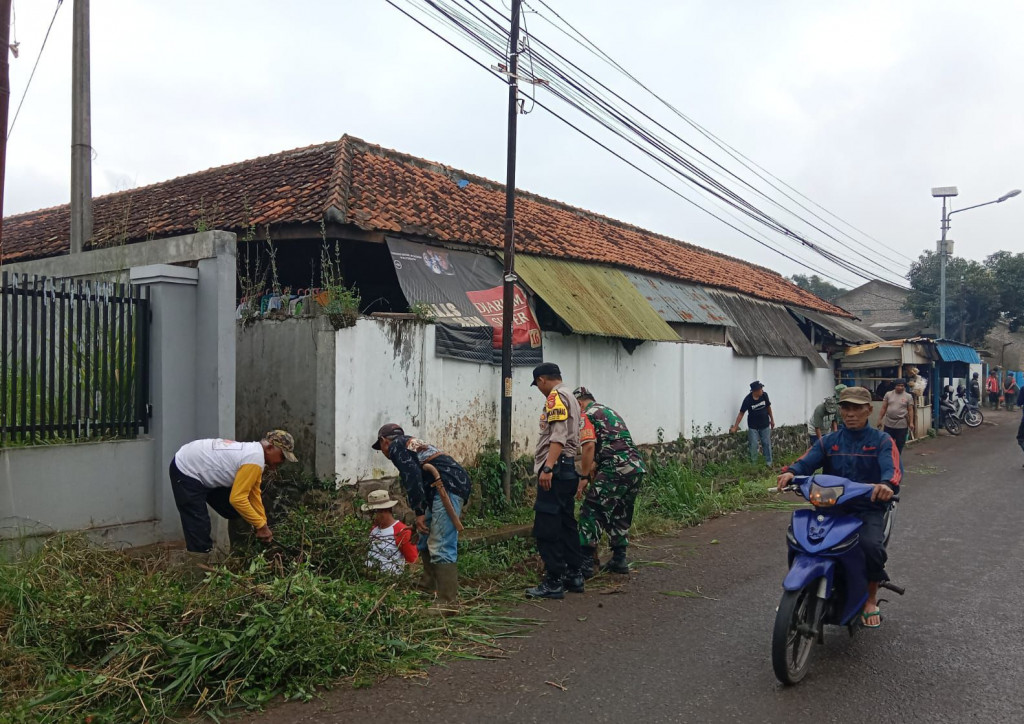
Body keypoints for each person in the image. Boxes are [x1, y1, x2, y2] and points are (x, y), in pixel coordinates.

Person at [777, 387, 900, 629]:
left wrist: (886, 485)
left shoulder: (882, 441)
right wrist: (791, 472)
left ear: (869, 410)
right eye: (846, 407)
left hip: (867, 508)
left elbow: (892, 469)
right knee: (801, 538)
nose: (850, 413)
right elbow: (807, 461)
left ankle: (870, 599)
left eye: (856, 408)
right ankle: (801, 590)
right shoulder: (829, 442)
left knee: (871, 547)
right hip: (830, 508)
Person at [373, 423, 471, 608]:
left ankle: (448, 603)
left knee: (441, 542)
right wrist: (422, 516)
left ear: (384, 441)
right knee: (425, 533)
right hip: (445, 485)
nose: (384, 453)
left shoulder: (396, 447)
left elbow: (413, 478)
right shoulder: (410, 444)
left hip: (447, 485)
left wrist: (418, 512)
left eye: (381, 448)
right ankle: (428, 586)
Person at [169, 430, 297, 554]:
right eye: (282, 457)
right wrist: (261, 526)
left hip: (205, 467)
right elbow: (237, 499)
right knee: (199, 526)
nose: (282, 462)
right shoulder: (254, 460)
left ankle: (240, 552)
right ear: (269, 448)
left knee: (235, 511)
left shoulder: (256, 457)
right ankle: (198, 567)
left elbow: (254, 494)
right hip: (186, 468)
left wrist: (262, 524)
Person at [573, 386, 646, 577]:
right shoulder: (608, 411)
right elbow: (612, 443)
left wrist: (583, 476)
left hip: (616, 467)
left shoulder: (586, 415)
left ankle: (586, 563)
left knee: (592, 509)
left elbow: (588, 446)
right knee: (621, 511)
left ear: (579, 403)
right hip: (635, 467)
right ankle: (619, 559)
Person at [526, 362, 585, 599]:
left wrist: (548, 467)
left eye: (537, 385)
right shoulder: (571, 395)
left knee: (547, 526)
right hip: (569, 470)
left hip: (557, 470)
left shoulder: (555, 396)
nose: (539, 389)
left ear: (541, 380)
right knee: (566, 523)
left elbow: (558, 435)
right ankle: (575, 574)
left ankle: (553, 581)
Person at [363, 489, 419, 575]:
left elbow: (413, 561)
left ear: (383, 511)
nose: (371, 516)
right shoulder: (373, 529)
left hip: (390, 580)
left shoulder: (402, 531)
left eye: (372, 512)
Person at [730, 381, 775, 467]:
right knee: (753, 444)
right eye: (760, 389)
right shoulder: (748, 400)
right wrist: (735, 427)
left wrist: (772, 420)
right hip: (753, 426)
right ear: (755, 390)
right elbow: (741, 413)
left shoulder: (764, 396)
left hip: (765, 424)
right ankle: (753, 465)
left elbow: (768, 408)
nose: (762, 390)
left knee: (766, 443)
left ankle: (768, 464)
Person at [877, 378, 916, 455]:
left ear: (904, 387)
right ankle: (888, 458)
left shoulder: (908, 396)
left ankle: (897, 460)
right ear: (895, 386)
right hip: (889, 423)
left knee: (899, 444)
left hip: (901, 424)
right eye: (898, 385)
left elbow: (910, 410)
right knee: (887, 443)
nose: (900, 387)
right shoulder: (888, 394)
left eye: (902, 386)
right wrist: (879, 419)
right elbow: (884, 408)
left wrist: (911, 422)